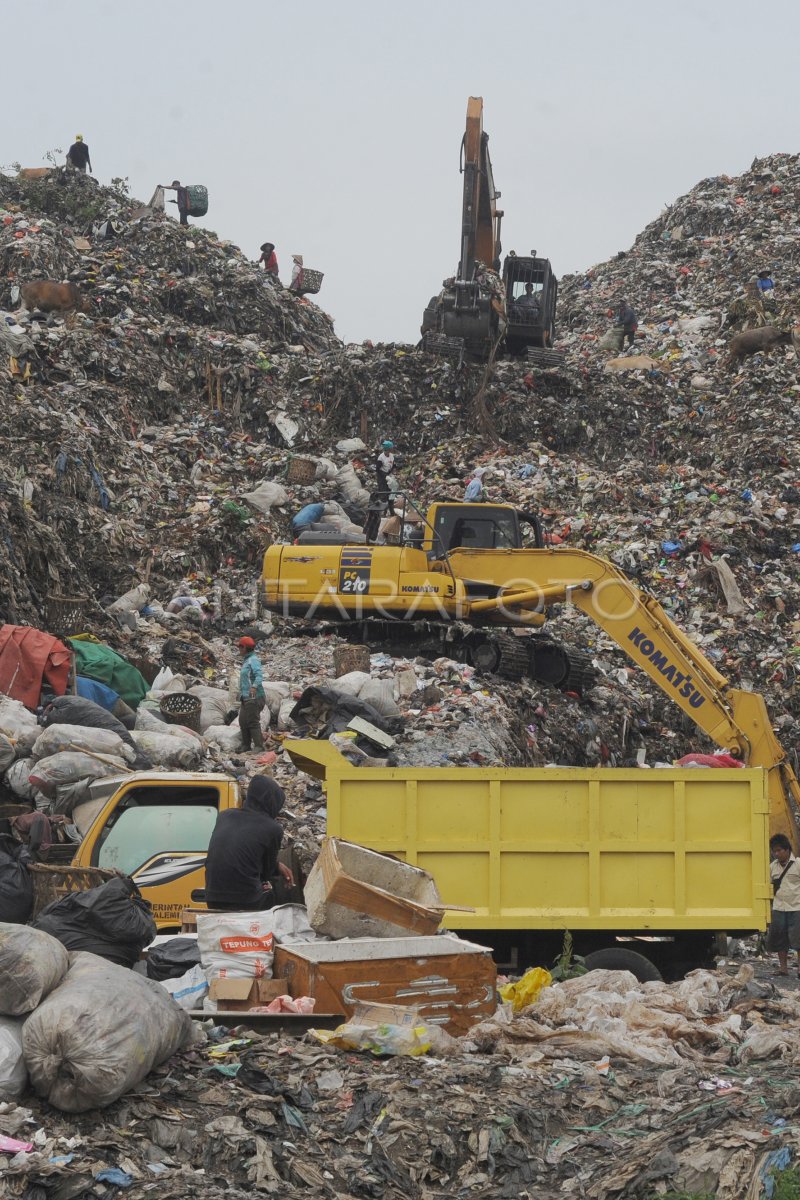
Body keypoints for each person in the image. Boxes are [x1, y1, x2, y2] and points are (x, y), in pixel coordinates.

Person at [204, 776, 294, 911]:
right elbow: (266, 873)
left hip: (212, 898)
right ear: (273, 802)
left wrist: (277, 865)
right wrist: (276, 868)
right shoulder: (272, 828)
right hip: (245, 901)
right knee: (275, 897)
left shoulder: (224, 816)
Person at [767, 833, 800, 976]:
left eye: (780, 850)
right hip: (779, 907)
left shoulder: (798, 864)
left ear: (787, 850)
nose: (777, 853)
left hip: (796, 907)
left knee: (797, 939)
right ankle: (783, 968)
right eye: (775, 851)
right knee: (780, 939)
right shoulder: (772, 867)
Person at [237, 636, 266, 751]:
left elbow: (259, 675)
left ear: (245, 648)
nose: (239, 649)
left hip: (254, 696)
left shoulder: (253, 660)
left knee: (253, 721)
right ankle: (246, 745)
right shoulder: (246, 660)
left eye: (240, 646)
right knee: (243, 721)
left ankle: (259, 746)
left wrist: (254, 687)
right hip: (245, 696)